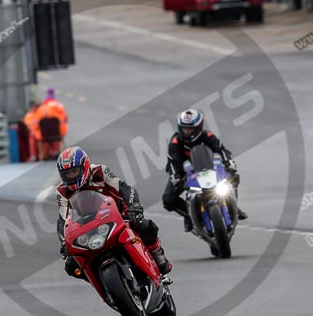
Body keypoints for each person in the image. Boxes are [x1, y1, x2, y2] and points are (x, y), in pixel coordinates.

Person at [56, 146, 172, 276]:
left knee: (145, 225)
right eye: (67, 173)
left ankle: (157, 254)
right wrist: (63, 241)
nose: (71, 176)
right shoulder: (62, 191)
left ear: (85, 165)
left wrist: (134, 206)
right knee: (71, 265)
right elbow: (62, 220)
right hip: (88, 226)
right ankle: (99, 282)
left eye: (75, 171)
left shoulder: (100, 171)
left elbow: (126, 189)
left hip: (118, 215)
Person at [162, 109, 247, 232]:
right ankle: (188, 215)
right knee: (168, 200)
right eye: (184, 128)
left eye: (190, 129)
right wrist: (176, 177)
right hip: (184, 172)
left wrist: (229, 162)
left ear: (198, 127)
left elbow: (221, 150)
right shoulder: (175, 142)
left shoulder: (207, 136)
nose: (187, 131)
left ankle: (233, 206)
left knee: (233, 176)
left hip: (209, 167)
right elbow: (173, 162)